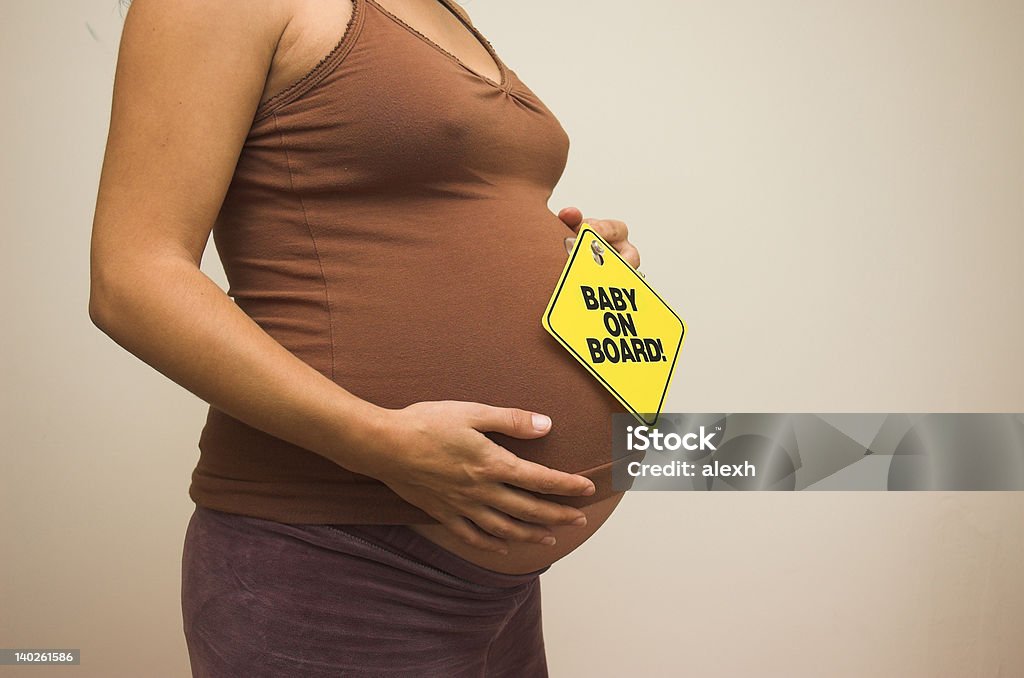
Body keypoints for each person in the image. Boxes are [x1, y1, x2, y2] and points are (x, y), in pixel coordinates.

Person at [89, 0, 642, 674]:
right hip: (338, 565)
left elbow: (424, 206)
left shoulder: (441, 8)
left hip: (499, 587)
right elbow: (132, 278)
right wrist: (381, 443)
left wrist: (561, 248)